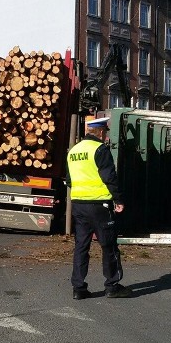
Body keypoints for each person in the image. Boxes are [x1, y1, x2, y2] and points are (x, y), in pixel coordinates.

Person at [66, 115, 131, 299]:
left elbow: (70, 180)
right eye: (105, 133)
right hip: (99, 205)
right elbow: (109, 177)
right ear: (100, 132)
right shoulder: (100, 149)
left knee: (81, 246)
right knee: (108, 245)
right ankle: (112, 286)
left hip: (78, 204)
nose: (106, 136)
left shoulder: (73, 151)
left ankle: (78, 288)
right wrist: (118, 199)